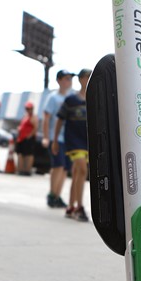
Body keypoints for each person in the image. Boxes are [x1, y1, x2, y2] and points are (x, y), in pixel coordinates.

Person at [53, 83, 89, 222]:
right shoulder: (70, 100)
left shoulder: (94, 99)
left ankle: (70, 206)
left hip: (87, 142)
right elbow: (59, 120)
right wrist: (55, 140)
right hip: (73, 141)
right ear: (80, 79)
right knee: (82, 170)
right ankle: (79, 207)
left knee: (77, 173)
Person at [41, 70, 74, 209]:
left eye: (70, 79)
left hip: (69, 138)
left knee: (66, 168)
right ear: (59, 80)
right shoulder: (53, 98)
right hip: (56, 138)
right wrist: (46, 137)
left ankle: (58, 195)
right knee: (58, 166)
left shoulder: (72, 97)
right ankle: (52, 194)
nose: (69, 81)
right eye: (66, 78)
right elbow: (46, 118)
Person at [15, 101, 37, 176]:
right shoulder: (25, 116)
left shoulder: (33, 117)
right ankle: (20, 169)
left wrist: (29, 136)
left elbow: (35, 128)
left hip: (28, 139)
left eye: (29, 108)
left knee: (29, 155)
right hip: (21, 138)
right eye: (27, 108)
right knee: (20, 154)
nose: (28, 110)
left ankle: (27, 170)